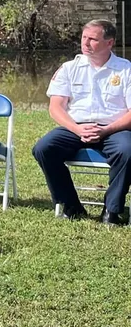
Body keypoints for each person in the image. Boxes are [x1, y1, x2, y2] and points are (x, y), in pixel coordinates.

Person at [32, 19, 131, 223]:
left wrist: (106, 130)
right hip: (76, 126)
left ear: (109, 43)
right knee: (44, 148)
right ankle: (71, 206)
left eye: (92, 39)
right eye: (84, 38)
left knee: (127, 150)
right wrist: (76, 129)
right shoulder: (69, 68)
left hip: (114, 128)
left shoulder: (125, 70)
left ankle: (112, 211)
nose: (85, 43)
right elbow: (56, 107)